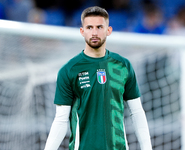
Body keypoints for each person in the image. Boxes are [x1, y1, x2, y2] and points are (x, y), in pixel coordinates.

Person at [44, 6, 152, 150]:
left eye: (99, 27)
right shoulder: (69, 70)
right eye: (89, 27)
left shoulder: (123, 65)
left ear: (109, 30)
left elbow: (137, 112)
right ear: (82, 31)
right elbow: (61, 120)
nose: (94, 32)